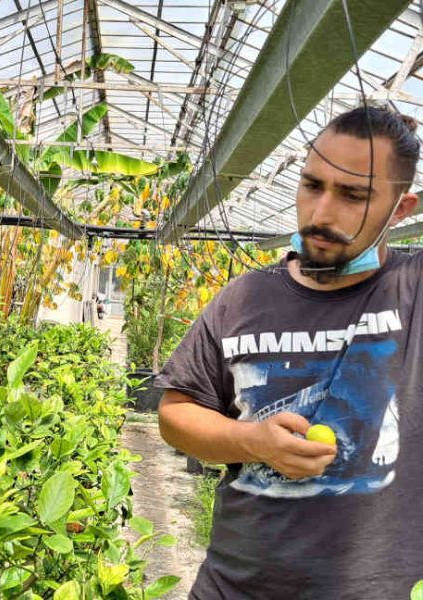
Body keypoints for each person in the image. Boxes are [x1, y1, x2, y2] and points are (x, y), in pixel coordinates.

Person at [155, 105, 423, 599]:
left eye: (354, 195)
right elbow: (175, 414)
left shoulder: (414, 290)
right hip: (232, 588)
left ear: (401, 209)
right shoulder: (244, 297)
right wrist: (251, 440)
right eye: (312, 185)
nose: (321, 214)